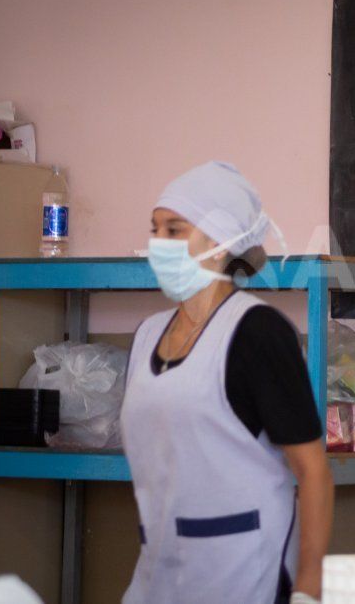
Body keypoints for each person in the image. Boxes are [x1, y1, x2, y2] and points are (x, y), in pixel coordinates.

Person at [121, 161, 332, 604]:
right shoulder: (145, 338)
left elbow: (312, 471)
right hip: (157, 578)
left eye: (175, 230)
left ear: (219, 243)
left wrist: (310, 587)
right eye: (154, 229)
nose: (158, 243)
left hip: (244, 576)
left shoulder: (257, 332)